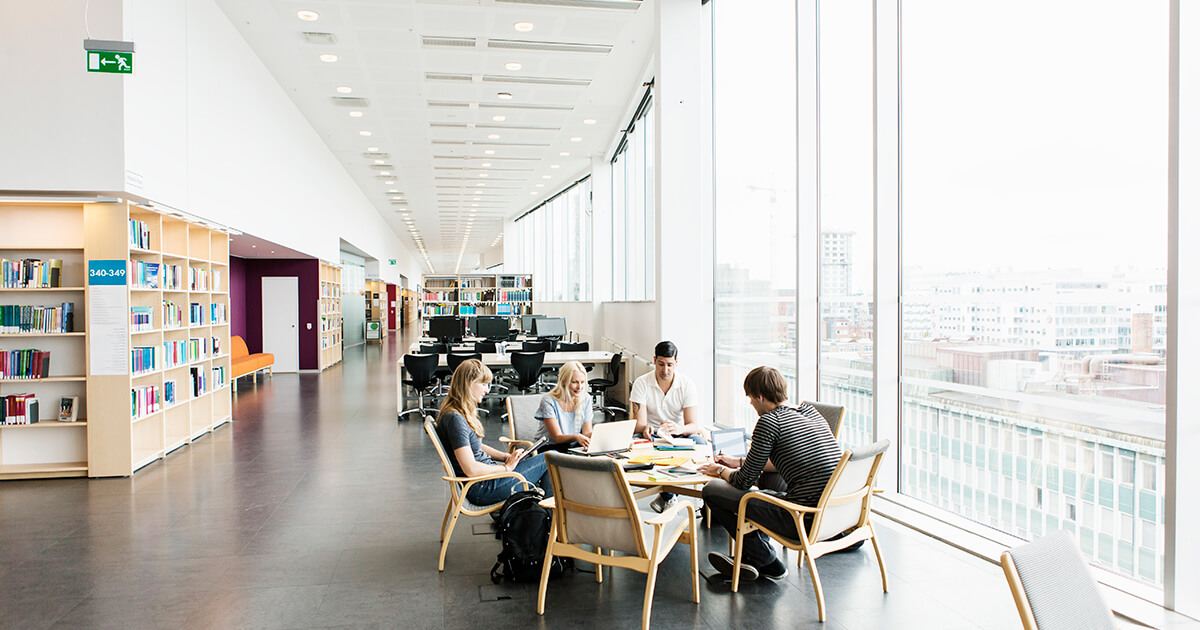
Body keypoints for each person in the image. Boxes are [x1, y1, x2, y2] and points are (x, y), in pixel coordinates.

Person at [698, 366, 842, 582]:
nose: (750, 403)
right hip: (834, 514)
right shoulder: (810, 412)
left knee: (712, 490)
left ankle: (765, 560)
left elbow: (743, 481)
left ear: (760, 397)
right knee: (770, 478)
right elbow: (791, 459)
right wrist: (738, 461)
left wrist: (720, 470)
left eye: (750, 398)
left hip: (802, 519)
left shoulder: (769, 422)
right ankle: (752, 555)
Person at [436, 359, 552, 504]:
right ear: (469, 383)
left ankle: (544, 511)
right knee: (549, 459)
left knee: (547, 459)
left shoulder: (455, 413)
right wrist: (506, 468)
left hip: (486, 481)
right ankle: (551, 513)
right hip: (483, 487)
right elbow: (471, 469)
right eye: (484, 384)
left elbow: (476, 446)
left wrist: (506, 457)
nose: (487, 390)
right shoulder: (455, 419)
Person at [630, 340, 705, 512]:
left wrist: (680, 429)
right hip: (651, 434)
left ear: (676, 363)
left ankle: (670, 496)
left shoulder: (686, 384)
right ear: (654, 360)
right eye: (661, 364)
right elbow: (638, 423)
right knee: (633, 444)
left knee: (701, 443)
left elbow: (693, 425)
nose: (665, 370)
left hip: (677, 434)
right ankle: (669, 496)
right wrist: (644, 428)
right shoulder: (642, 383)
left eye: (670, 365)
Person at [535, 360, 593, 451]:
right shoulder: (548, 401)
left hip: (573, 446)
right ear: (564, 381)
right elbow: (557, 437)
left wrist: (599, 434)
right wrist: (576, 436)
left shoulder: (586, 398)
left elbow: (586, 433)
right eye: (574, 382)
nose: (579, 387)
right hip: (549, 447)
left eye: (582, 382)